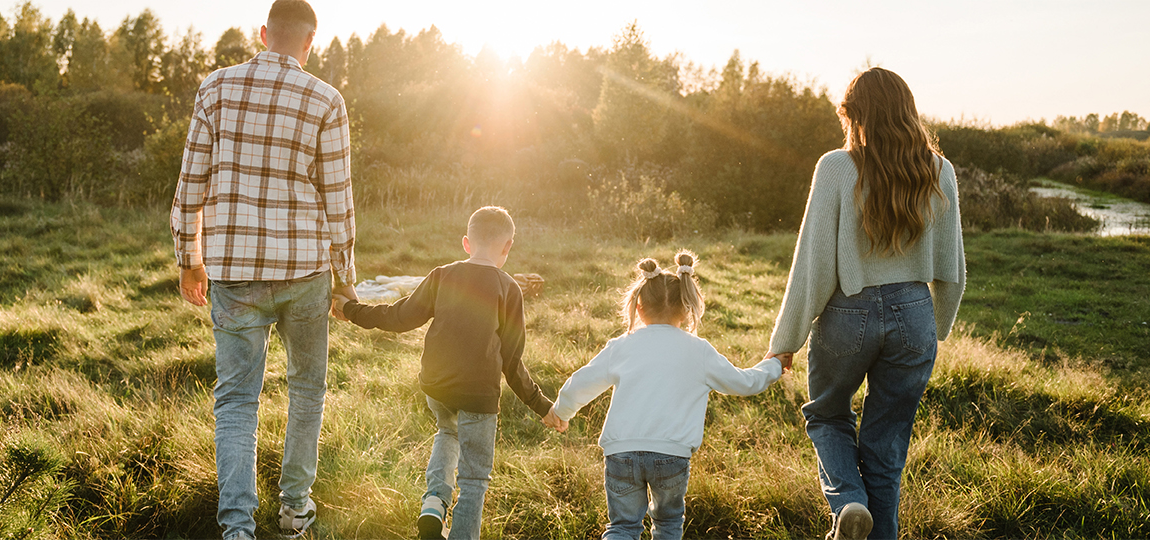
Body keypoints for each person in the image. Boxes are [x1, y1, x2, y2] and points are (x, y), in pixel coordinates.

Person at [169, 1, 356, 538]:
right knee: (306, 391)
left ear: (262, 33)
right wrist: (345, 278)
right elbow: (339, 199)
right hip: (305, 273)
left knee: (235, 399)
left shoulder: (216, 88)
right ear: (310, 42)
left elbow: (190, 186)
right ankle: (295, 510)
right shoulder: (326, 98)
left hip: (234, 272)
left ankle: (236, 527)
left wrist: (190, 260)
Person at [765, 67, 965, 540]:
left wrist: (785, 340)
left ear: (856, 115)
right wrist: (938, 326)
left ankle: (849, 503)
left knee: (827, 414)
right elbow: (952, 267)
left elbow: (812, 265)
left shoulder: (836, 166)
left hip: (848, 312)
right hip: (915, 312)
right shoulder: (940, 170)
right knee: (886, 448)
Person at [330, 206, 555, 540]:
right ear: (507, 247)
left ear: (467, 242)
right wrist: (544, 406)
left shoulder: (442, 274)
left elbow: (397, 317)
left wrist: (350, 308)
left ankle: (434, 502)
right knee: (474, 480)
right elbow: (512, 361)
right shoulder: (509, 289)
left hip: (436, 385)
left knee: (447, 433)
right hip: (478, 395)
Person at [545, 252, 789, 540]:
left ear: (638, 306)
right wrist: (775, 364)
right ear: (686, 309)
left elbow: (581, 382)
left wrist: (561, 412)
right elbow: (745, 382)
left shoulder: (622, 346)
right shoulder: (698, 350)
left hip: (621, 452)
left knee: (623, 527)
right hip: (671, 455)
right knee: (668, 525)